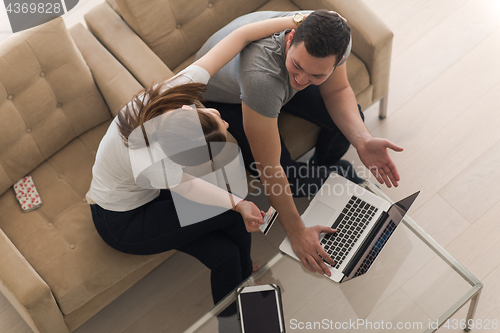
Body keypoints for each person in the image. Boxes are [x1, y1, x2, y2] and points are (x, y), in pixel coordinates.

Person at [87, 15, 303, 313]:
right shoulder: (151, 158)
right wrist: (238, 204)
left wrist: (297, 19)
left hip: (146, 190)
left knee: (229, 237)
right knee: (229, 229)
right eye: (221, 121)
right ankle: (233, 311)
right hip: (122, 221)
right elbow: (187, 186)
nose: (226, 121)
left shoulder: (174, 92)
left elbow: (240, 36)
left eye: (214, 116)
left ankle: (243, 277)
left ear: (188, 108)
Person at [195, 10, 404, 277]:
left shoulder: (337, 38)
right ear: (291, 38)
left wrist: (363, 141)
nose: (302, 81)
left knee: (354, 123)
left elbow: (338, 91)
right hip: (228, 98)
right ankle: (337, 177)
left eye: (317, 76)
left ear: (338, 60)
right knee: (291, 178)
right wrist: (297, 232)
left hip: (274, 80)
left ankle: (326, 168)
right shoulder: (261, 77)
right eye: (298, 66)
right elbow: (270, 169)